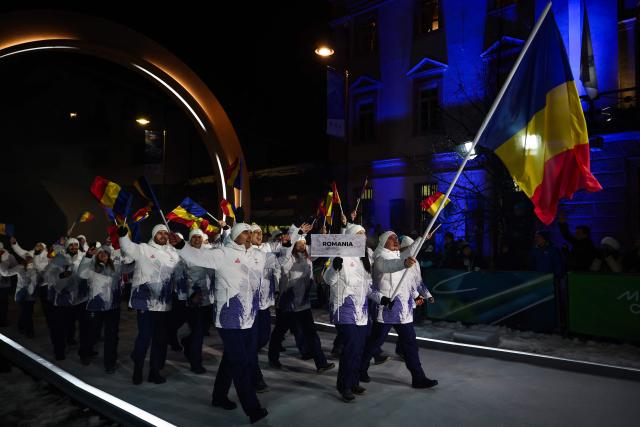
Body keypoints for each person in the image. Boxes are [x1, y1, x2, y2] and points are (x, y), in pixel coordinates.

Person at [171, 223, 267, 423]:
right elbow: (198, 256)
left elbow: (279, 253)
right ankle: (253, 409)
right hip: (229, 317)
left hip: (249, 316)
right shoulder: (223, 253)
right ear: (234, 236)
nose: (249, 236)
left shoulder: (257, 255)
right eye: (244, 233)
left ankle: (218, 396)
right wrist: (181, 245)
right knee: (241, 362)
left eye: (251, 232)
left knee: (231, 360)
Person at [359, 231, 438, 389]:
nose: (395, 240)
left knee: (410, 344)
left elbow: (409, 262)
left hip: (403, 310)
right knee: (375, 342)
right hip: (387, 308)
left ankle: (418, 377)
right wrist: (403, 264)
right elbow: (388, 266)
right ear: (383, 242)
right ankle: (360, 369)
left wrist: (421, 239)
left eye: (396, 238)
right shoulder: (379, 257)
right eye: (391, 238)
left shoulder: (398, 257)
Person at [268, 224, 334, 373]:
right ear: (293, 243)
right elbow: (285, 258)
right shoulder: (285, 258)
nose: (303, 246)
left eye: (304, 243)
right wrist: (296, 234)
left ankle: (321, 363)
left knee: (311, 333)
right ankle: (273, 358)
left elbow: (325, 247)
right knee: (279, 333)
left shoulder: (307, 255)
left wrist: (324, 235)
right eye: (300, 243)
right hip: (287, 304)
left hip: (303, 304)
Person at [118, 224, 180, 385]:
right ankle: (137, 369)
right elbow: (128, 247)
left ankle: (154, 371)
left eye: (165, 233)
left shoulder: (173, 253)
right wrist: (124, 236)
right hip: (145, 302)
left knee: (160, 339)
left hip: (163, 303)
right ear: (154, 235)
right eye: (159, 233)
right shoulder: (143, 249)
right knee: (145, 337)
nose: (163, 235)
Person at [323, 223, 375, 402]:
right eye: (358, 234)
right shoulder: (340, 254)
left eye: (364, 234)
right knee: (352, 346)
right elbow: (327, 280)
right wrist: (334, 268)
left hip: (361, 310)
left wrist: (380, 298)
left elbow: (368, 288)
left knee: (358, 349)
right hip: (343, 308)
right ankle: (344, 385)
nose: (362, 237)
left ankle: (353, 382)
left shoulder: (365, 259)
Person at [77, 245, 133, 372]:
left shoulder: (116, 268)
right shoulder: (91, 267)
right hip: (95, 307)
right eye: (100, 253)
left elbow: (130, 268)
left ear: (109, 255)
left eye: (106, 253)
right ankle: (85, 353)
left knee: (112, 336)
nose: (103, 255)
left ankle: (110, 363)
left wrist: (134, 257)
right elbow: (81, 274)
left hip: (113, 308)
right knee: (93, 333)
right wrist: (88, 256)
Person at [174, 228, 216, 374]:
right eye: (194, 238)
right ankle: (195, 363)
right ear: (190, 240)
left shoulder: (208, 253)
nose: (197, 240)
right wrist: (186, 297)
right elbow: (179, 277)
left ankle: (187, 341)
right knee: (198, 332)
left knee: (203, 330)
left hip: (208, 300)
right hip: (194, 300)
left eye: (199, 237)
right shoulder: (184, 255)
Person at [44, 238, 85, 361]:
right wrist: (60, 276)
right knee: (59, 327)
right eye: (71, 245)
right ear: (67, 247)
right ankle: (59, 350)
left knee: (74, 325)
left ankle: (71, 340)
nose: (73, 247)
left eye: (75, 245)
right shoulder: (59, 259)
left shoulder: (83, 258)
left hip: (78, 299)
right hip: (61, 299)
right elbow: (47, 274)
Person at [0, 250, 38, 337]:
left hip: (31, 294)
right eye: (28, 257)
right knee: (26, 312)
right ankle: (29, 331)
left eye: (31, 258)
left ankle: (21, 326)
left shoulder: (36, 268)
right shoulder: (20, 267)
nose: (29, 259)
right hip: (22, 294)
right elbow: (6, 273)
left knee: (27, 312)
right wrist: (4, 262)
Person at [0, 243, 18, 327]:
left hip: (5, 284)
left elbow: (15, 267)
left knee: (3, 303)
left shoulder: (9, 256)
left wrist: (7, 273)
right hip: (4, 284)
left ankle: (3, 321)